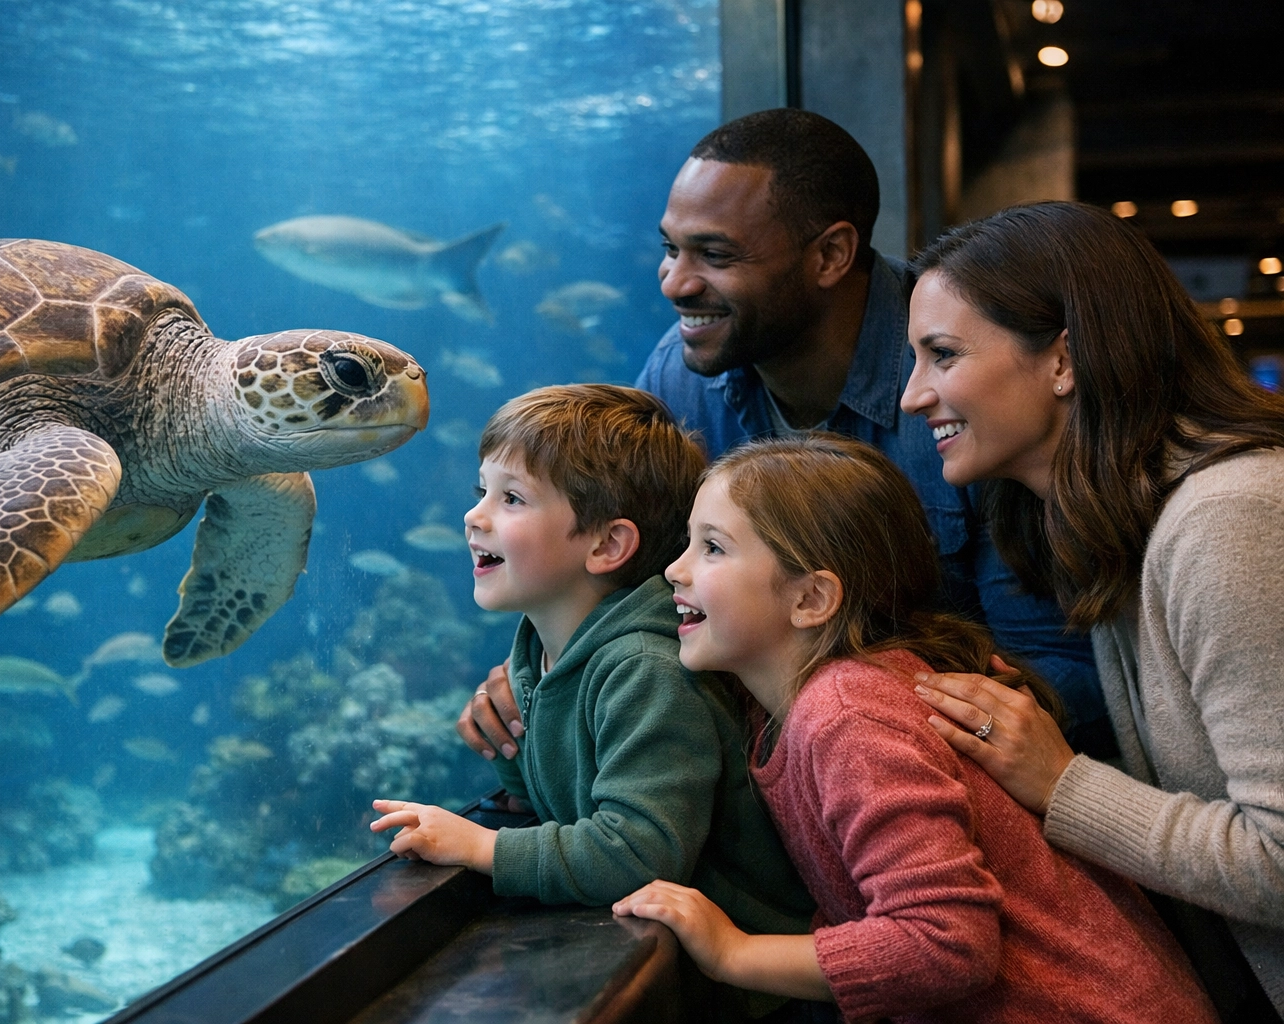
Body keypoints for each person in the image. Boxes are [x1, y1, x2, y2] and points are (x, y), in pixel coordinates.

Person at [458, 108, 1110, 767]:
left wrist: (858, 713)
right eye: (669, 249)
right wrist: (548, 674)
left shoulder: (973, 389)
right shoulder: (683, 377)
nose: (675, 283)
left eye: (714, 255)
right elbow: (624, 586)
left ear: (831, 255)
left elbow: (1066, 678)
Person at [614, 434, 1219, 1023]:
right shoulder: (799, 703)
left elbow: (946, 942)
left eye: (713, 548)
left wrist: (733, 953)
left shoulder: (847, 714)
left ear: (811, 599)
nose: (674, 569)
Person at [899, 201, 1284, 1019]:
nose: (911, 396)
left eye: (942, 355)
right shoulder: (1119, 522)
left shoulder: (1231, 519)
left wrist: (1061, 782)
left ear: (1064, 359)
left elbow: (1280, 861)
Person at [369, 385, 814, 950]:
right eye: (482, 490)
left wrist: (481, 847)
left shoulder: (645, 670)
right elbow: (556, 790)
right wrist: (507, 754)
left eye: (512, 499)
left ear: (607, 545)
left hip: (741, 986)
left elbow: (637, 852)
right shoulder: (539, 644)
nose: (473, 515)